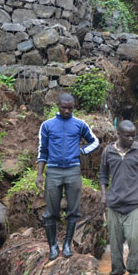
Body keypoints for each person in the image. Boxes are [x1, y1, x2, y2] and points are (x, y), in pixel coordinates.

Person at [36, 93, 99, 260]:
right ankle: (53, 246)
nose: (66, 111)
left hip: (73, 170)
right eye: (63, 107)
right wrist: (39, 175)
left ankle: (67, 245)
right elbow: (42, 151)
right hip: (53, 171)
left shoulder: (79, 124)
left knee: (73, 210)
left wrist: (82, 151)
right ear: (57, 106)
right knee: (51, 211)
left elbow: (95, 141)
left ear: (73, 107)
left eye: (70, 108)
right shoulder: (47, 125)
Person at [99, 120, 138, 275]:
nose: (131, 139)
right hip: (114, 203)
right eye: (127, 136)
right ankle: (117, 273)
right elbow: (103, 175)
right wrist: (103, 194)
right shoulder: (108, 152)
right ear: (118, 134)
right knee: (115, 242)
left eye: (133, 136)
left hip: (133, 204)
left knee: (134, 240)